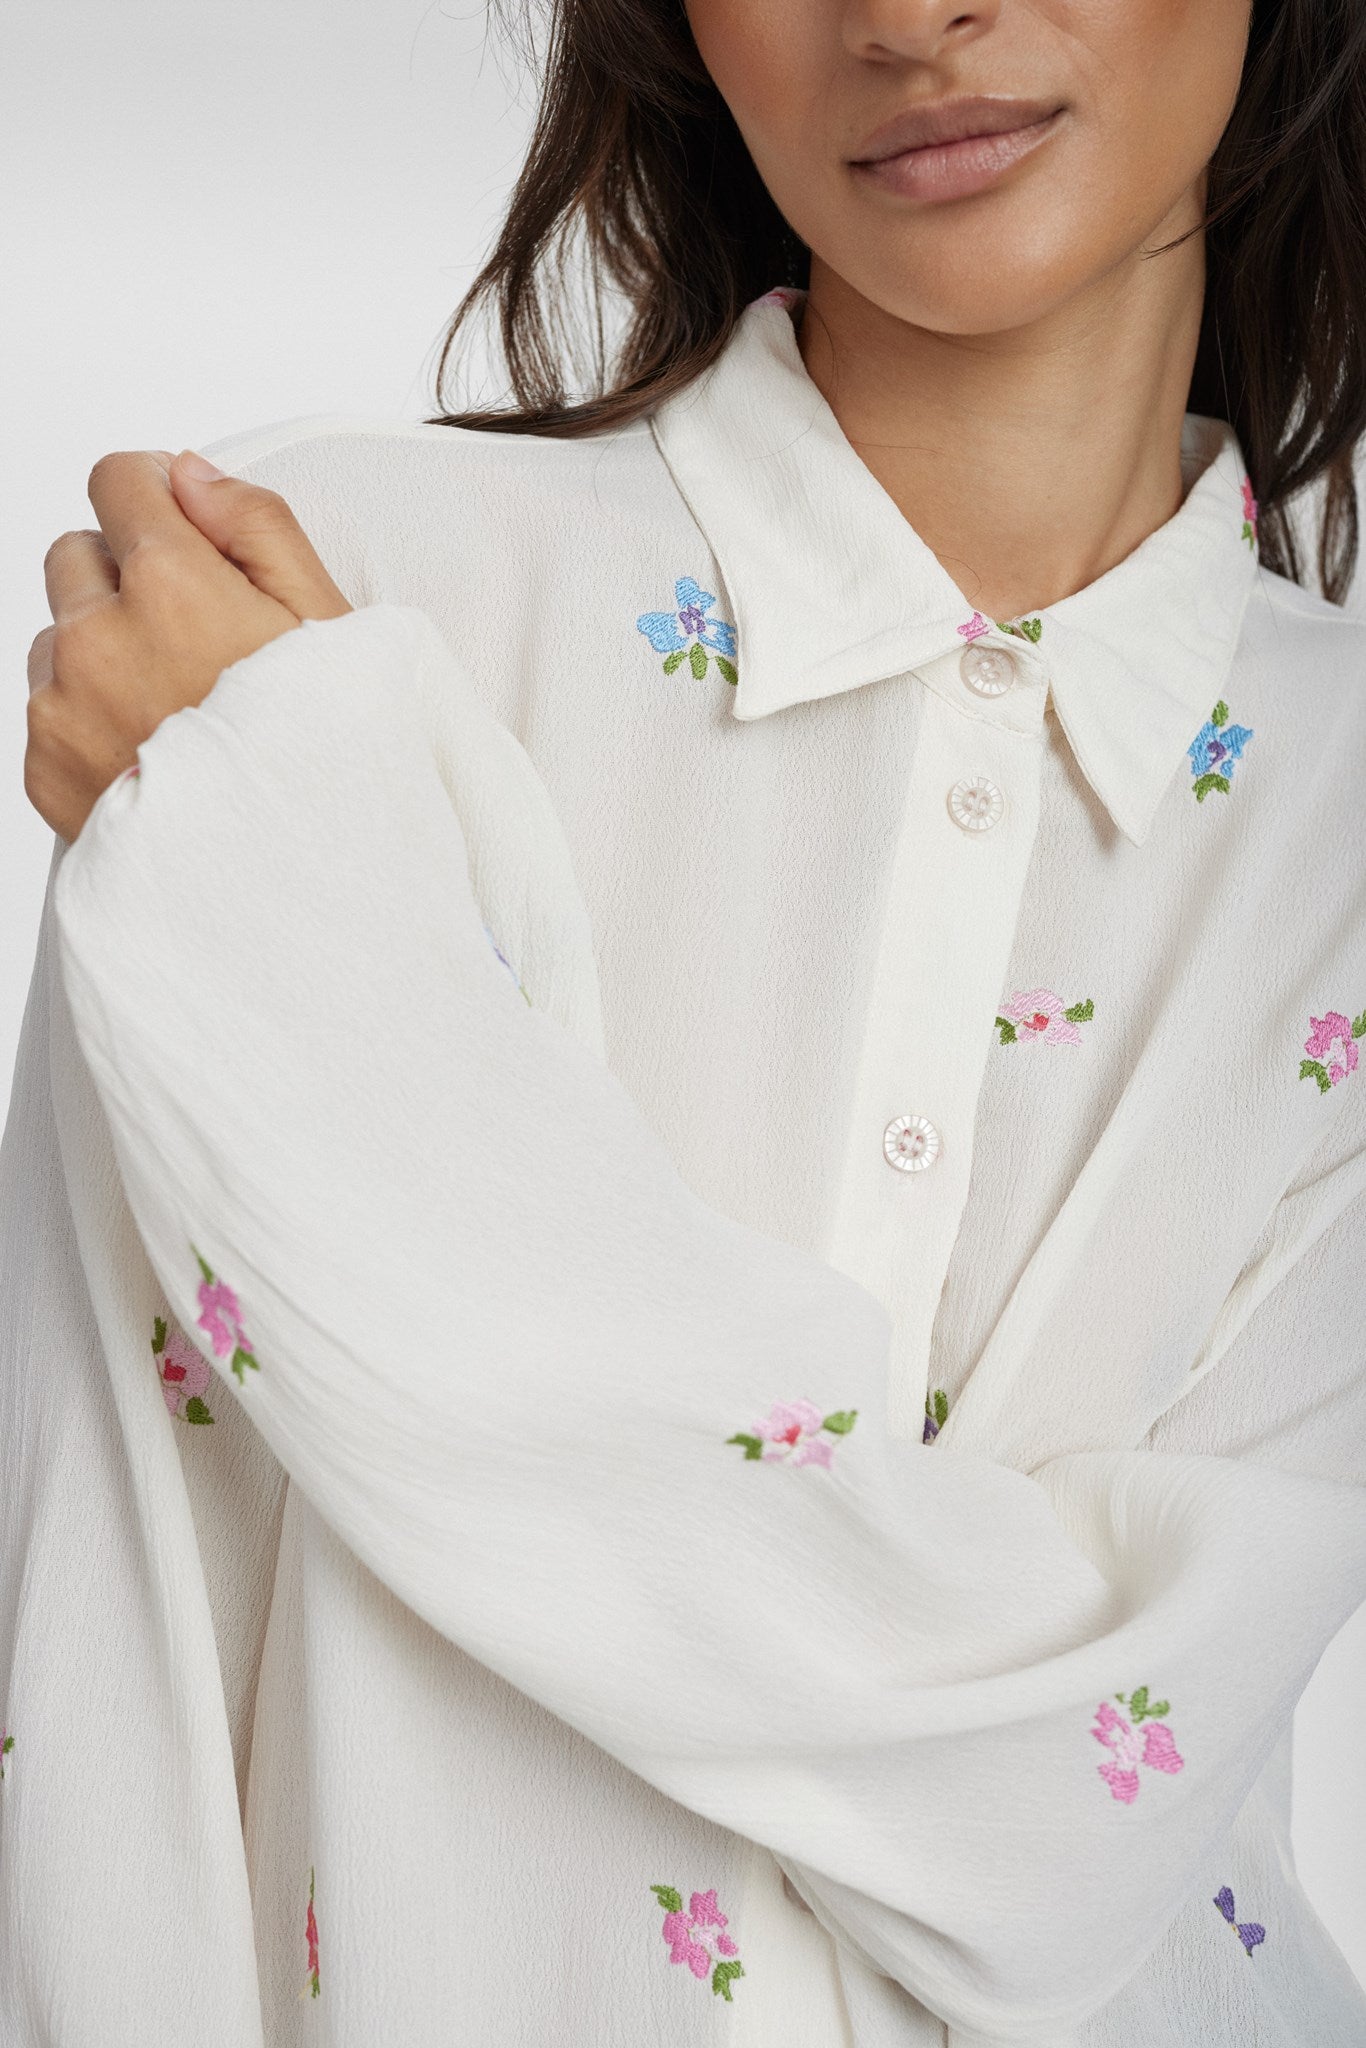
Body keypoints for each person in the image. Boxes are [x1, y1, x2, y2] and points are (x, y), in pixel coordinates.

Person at [5, 1, 1366, 2043]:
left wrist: (300, 928)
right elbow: (101, 1688)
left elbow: (1084, 1817)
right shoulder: (317, 614)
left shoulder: (1342, 821)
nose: (908, 14)